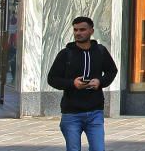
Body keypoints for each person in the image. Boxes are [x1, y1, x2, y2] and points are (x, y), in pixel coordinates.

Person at [46, 16, 119, 151]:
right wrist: (72, 83)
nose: (78, 33)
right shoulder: (65, 54)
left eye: (82, 29)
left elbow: (112, 71)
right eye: (75, 30)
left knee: (98, 149)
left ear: (91, 31)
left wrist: (100, 82)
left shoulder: (100, 51)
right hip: (71, 113)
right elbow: (52, 79)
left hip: (95, 112)